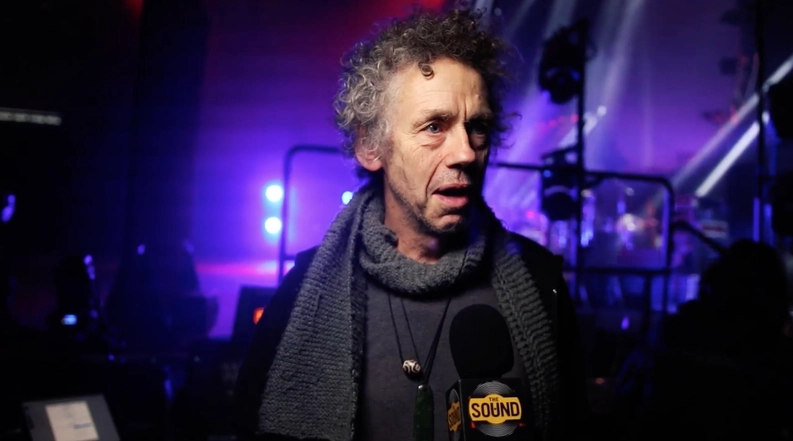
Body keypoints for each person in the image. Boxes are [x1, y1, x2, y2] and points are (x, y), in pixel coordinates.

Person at [234, 8, 588, 441]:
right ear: (370, 146)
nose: (465, 152)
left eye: (477, 127)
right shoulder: (304, 291)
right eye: (434, 126)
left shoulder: (541, 283)